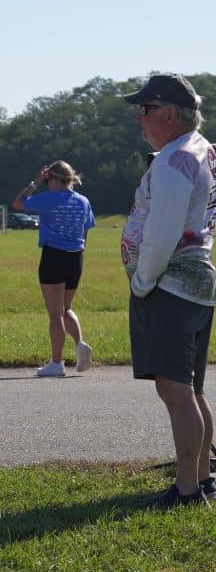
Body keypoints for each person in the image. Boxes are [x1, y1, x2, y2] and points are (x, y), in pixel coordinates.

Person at [121, 74, 216, 508]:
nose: (139, 119)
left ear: (170, 114)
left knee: (175, 391)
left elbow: (162, 231)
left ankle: (187, 490)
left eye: (145, 110)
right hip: (194, 281)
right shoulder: (202, 149)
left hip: (171, 284)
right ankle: (201, 477)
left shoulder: (174, 161)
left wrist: (143, 279)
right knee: (191, 389)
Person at [12, 160, 96, 378]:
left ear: (56, 179)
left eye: (49, 180)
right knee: (66, 307)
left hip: (54, 256)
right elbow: (86, 232)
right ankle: (80, 344)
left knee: (55, 313)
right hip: (76, 257)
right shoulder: (83, 201)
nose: (47, 184)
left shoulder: (48, 198)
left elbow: (18, 203)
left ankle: (56, 363)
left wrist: (35, 182)